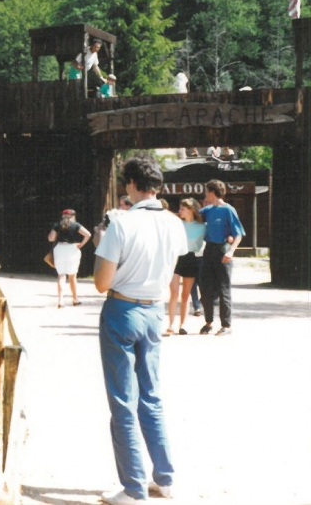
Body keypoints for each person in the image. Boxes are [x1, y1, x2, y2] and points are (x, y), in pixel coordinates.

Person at [94, 154, 188, 505]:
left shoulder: (121, 223)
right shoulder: (173, 223)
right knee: (151, 395)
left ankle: (133, 488)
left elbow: (101, 283)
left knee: (123, 401)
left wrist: (102, 249)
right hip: (154, 311)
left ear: (131, 184)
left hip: (122, 308)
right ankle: (164, 478)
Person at [199, 179, 245, 336]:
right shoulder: (207, 210)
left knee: (223, 288)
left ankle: (226, 325)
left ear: (212, 192)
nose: (205, 194)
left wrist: (231, 251)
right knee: (205, 288)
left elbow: (238, 234)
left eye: (207, 191)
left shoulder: (228, 210)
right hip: (209, 250)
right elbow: (192, 216)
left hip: (222, 250)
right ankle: (208, 322)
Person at [166, 199, 206, 335]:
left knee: (185, 295)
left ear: (191, 210)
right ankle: (171, 325)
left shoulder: (202, 226)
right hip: (176, 258)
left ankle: (182, 325)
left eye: (182, 209)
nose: (179, 211)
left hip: (191, 258)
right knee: (174, 292)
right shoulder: (177, 224)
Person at [47, 209, 91, 308]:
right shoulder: (76, 225)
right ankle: (75, 299)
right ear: (73, 216)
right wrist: (81, 244)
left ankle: (60, 300)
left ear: (62, 216)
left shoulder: (57, 225)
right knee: (72, 276)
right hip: (72, 249)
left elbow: (51, 238)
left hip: (60, 249)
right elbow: (88, 234)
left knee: (61, 275)